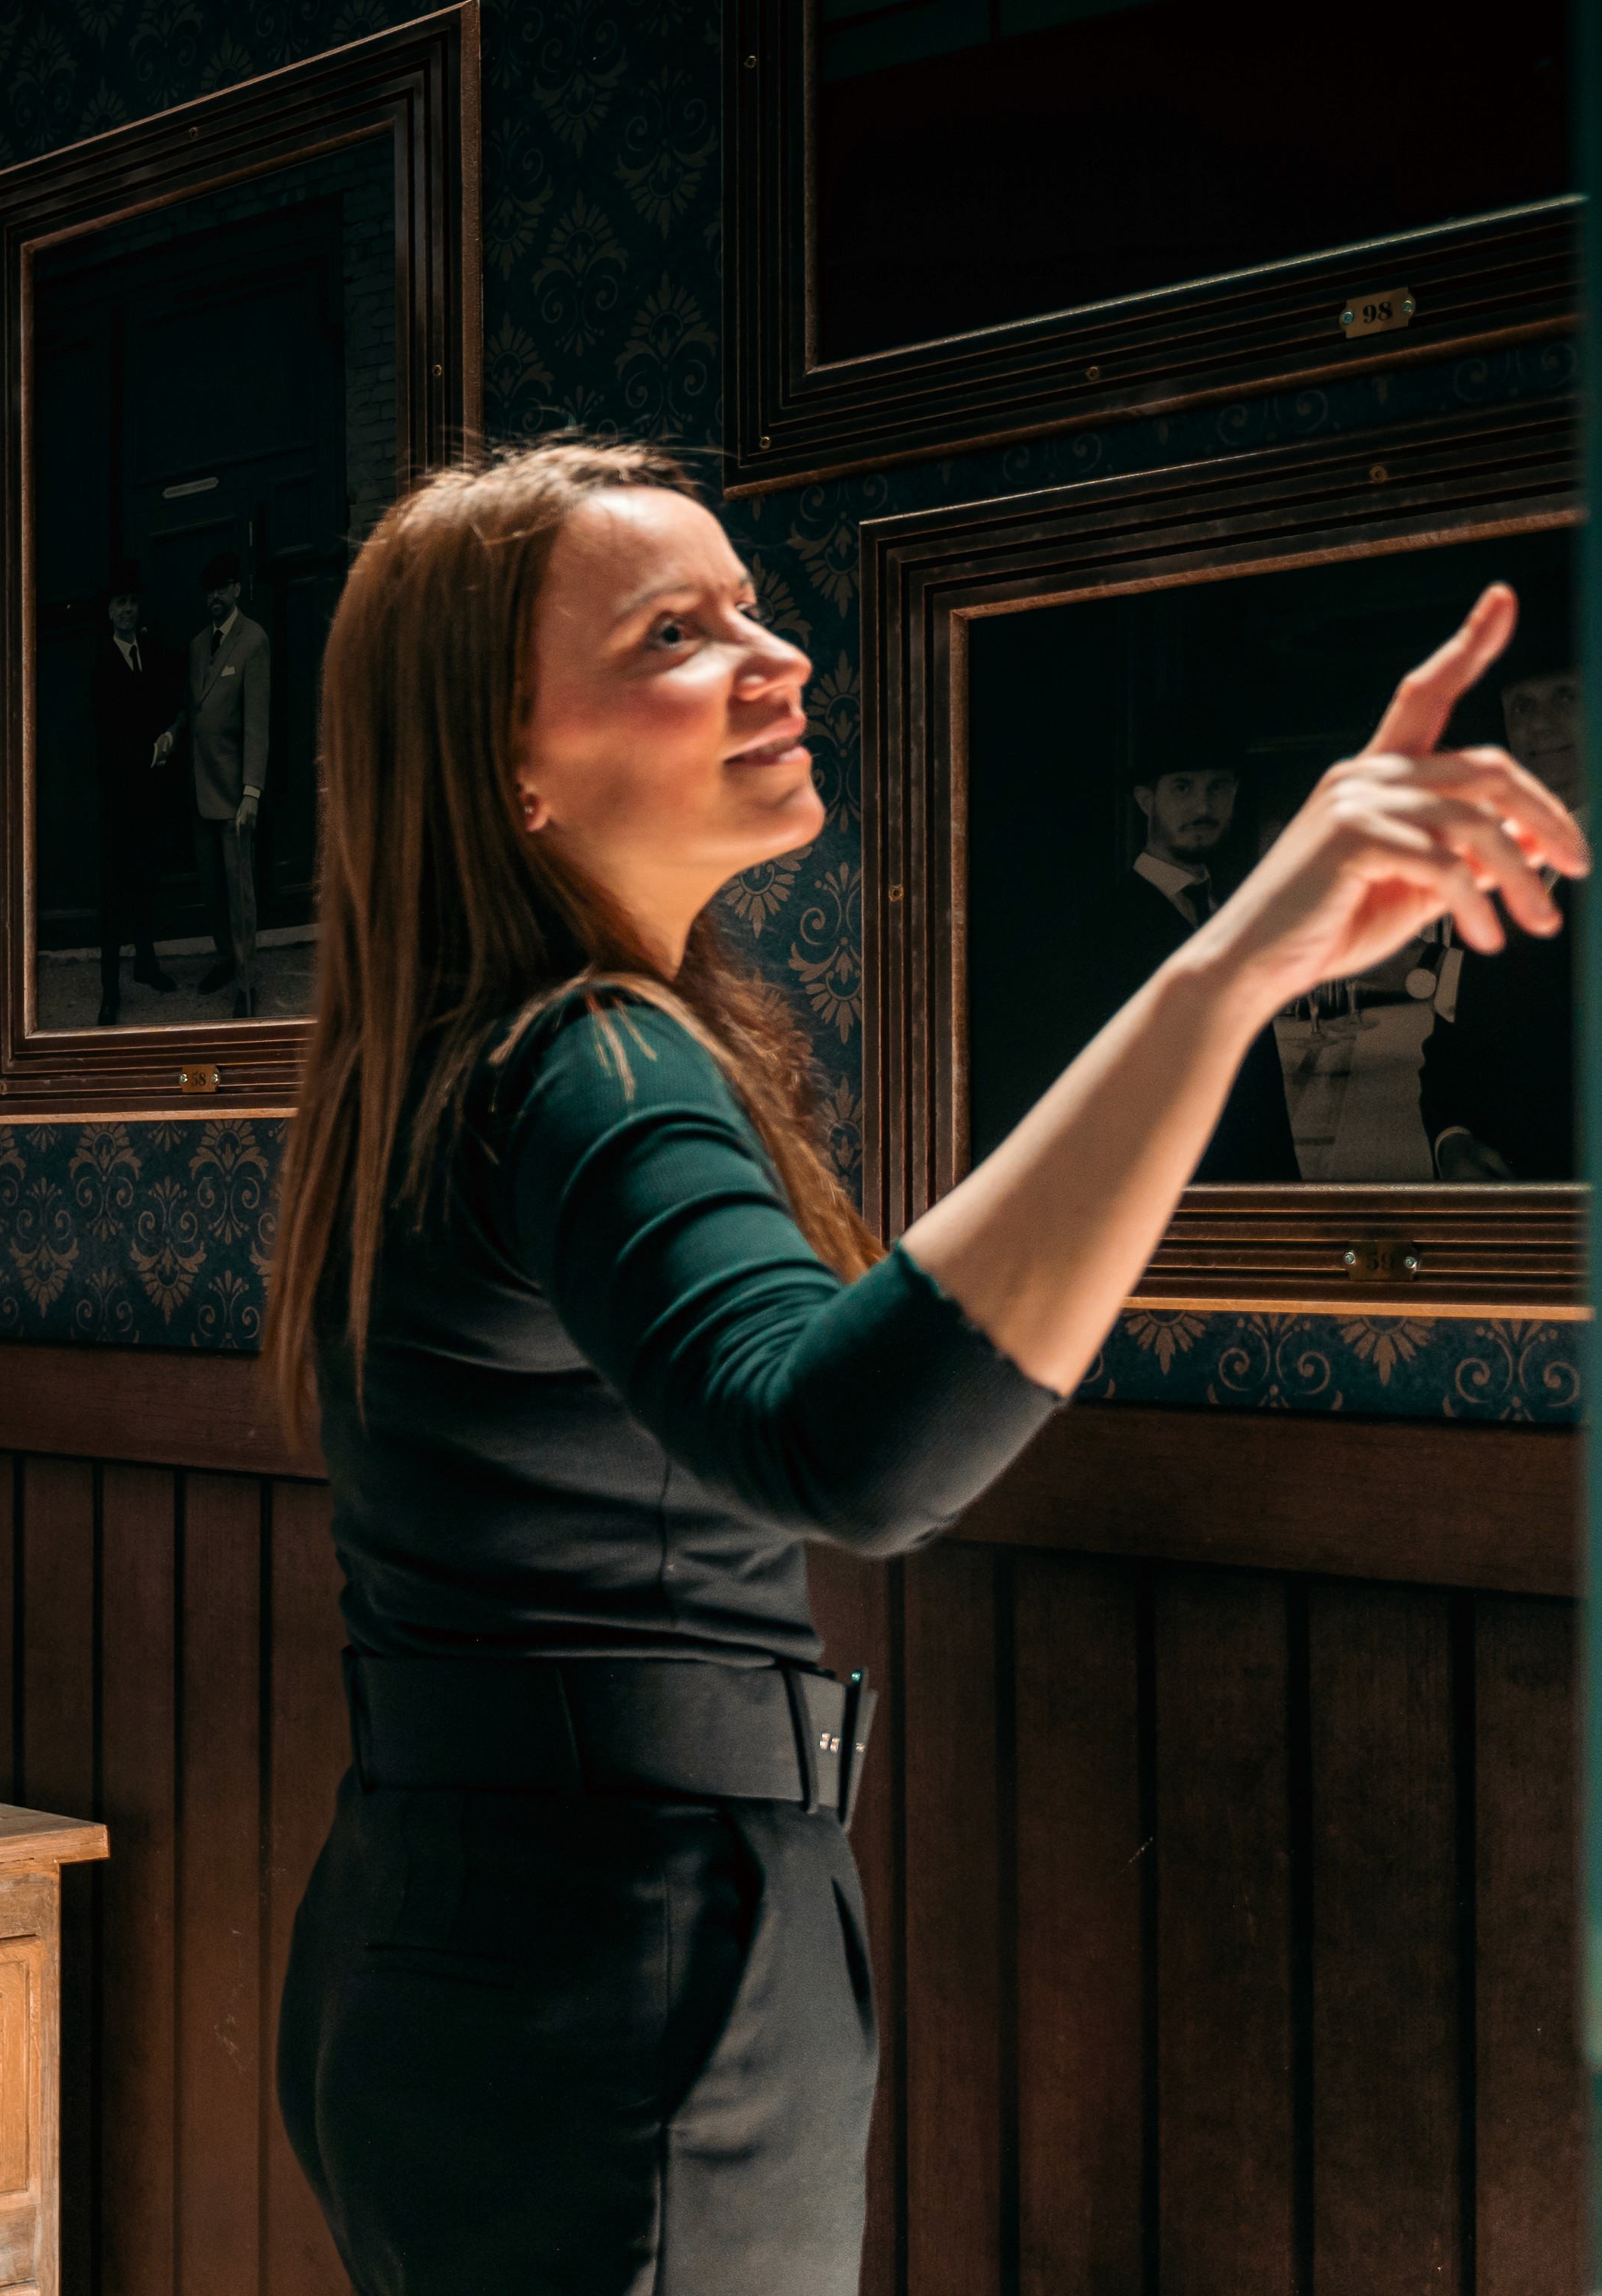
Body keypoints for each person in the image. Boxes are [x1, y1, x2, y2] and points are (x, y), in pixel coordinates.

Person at [259, 437, 1577, 2290]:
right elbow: (848, 1447)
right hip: (624, 1970)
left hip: (450, 1930)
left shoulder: (465, 1055)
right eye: (673, 635)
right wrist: (1223, 978)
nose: (776, 655)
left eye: (747, 608)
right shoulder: (596, 1061)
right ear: (510, 767)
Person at [1086, 724, 1303, 1179]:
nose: (1203, 807)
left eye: (1218, 787)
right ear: (1146, 799)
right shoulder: (1105, 928)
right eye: (1183, 787)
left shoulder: (1229, 911)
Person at [1423, 666, 1582, 1179]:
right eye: (1522, 707)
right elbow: (1455, 1039)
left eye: (1566, 697)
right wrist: (1452, 1139)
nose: (1540, 726)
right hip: (1508, 1197)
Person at [174, 550, 274, 1014]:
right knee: (212, 890)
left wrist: (252, 792)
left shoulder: (253, 641)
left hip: (235, 795)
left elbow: (257, 724)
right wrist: (172, 734)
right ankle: (224, 958)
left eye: (222, 588)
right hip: (200, 789)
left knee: (240, 893)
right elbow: (191, 710)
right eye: (208, 591)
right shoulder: (199, 645)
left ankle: (247, 982)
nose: (215, 597)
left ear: (236, 589)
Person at [86, 566, 185, 1020]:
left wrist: (168, 735)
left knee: (146, 884)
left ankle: (146, 964)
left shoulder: (152, 653)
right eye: (120, 603)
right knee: (113, 899)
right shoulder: (101, 665)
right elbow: (108, 736)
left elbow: (165, 708)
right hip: (116, 800)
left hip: (150, 796)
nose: (127, 610)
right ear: (109, 612)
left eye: (132, 602)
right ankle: (110, 990)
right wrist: (148, 752)